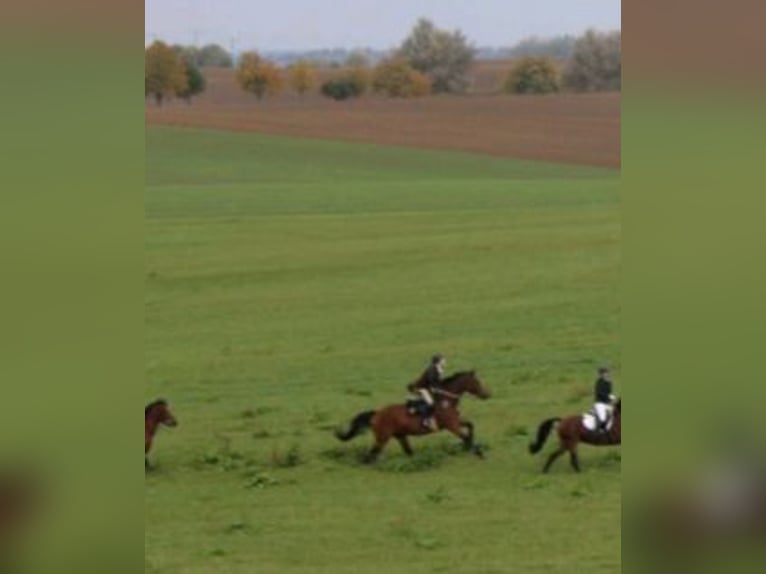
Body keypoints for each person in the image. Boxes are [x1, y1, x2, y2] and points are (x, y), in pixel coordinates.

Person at [407, 354, 446, 431]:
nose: (445, 361)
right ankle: (424, 418)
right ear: (438, 361)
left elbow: (437, 382)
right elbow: (431, 380)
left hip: (427, 388)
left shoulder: (438, 369)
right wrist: (434, 388)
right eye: (443, 360)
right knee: (430, 403)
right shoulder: (432, 369)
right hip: (420, 388)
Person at [593, 366, 616, 433]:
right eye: (604, 373)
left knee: (614, 416)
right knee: (602, 418)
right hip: (600, 403)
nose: (606, 374)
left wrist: (611, 398)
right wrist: (609, 397)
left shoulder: (609, 383)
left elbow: (610, 392)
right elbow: (599, 393)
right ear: (601, 374)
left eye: (607, 373)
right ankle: (600, 430)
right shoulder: (598, 382)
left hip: (607, 403)